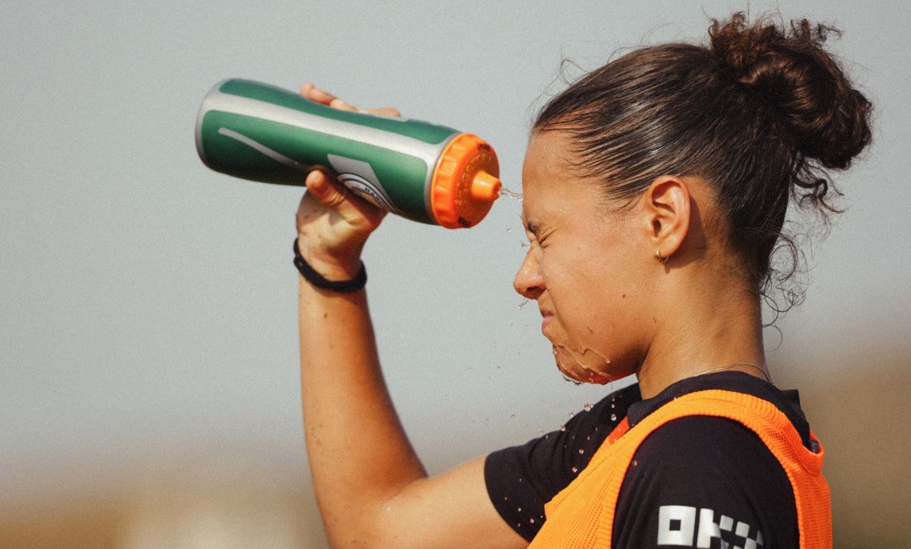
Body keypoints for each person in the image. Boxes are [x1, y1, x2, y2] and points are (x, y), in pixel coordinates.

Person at [292, 13, 871, 548]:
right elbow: (381, 528)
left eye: (543, 237)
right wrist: (327, 262)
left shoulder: (699, 463)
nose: (525, 279)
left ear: (662, 220)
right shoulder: (626, 438)